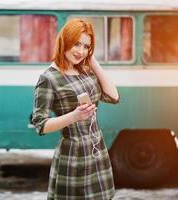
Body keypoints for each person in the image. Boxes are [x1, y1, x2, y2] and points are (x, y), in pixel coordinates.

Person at [32, 18, 120, 200]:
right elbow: (40, 125)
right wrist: (74, 116)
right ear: (65, 41)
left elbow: (113, 96)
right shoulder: (49, 78)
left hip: (97, 152)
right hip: (73, 156)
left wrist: (92, 60)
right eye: (76, 44)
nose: (80, 51)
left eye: (86, 46)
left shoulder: (86, 70)